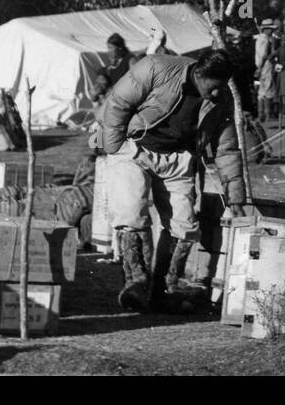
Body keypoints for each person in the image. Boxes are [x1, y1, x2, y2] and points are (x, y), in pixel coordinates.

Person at [98, 49, 244, 312]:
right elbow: (118, 102)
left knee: (184, 224)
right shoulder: (156, 67)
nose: (215, 94)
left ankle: (163, 287)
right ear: (199, 74)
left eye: (221, 88)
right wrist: (114, 147)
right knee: (131, 212)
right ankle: (136, 282)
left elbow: (227, 149)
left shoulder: (221, 99)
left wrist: (235, 197)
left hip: (179, 159)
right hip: (135, 149)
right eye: (212, 87)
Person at [254, 19, 278, 124]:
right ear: (266, 29)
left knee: (262, 91)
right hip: (266, 65)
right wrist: (260, 67)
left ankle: (261, 114)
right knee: (267, 87)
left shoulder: (261, 39)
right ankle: (267, 114)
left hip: (262, 66)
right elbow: (263, 54)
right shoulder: (265, 40)